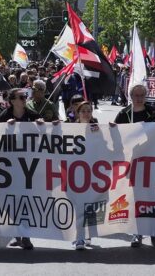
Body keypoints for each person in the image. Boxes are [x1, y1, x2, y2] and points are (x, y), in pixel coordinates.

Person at [110, 83, 155, 249]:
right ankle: (137, 232)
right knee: (136, 198)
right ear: (131, 96)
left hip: (152, 162)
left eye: (142, 95)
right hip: (133, 162)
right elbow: (116, 137)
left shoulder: (154, 112)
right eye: (136, 95)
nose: (139, 98)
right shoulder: (124, 113)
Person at [0, 88, 41, 250]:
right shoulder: (5, 115)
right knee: (12, 202)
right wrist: (5, 127)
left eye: (25, 96)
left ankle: (26, 235)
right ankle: (17, 235)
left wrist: (42, 125)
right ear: (12, 101)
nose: (25, 99)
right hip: (9, 166)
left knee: (26, 201)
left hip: (29, 166)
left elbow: (47, 133)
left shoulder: (33, 115)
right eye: (21, 97)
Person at [72, 100, 99, 250]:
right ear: (78, 113)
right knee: (79, 207)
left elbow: (105, 144)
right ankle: (79, 238)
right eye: (83, 111)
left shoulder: (96, 128)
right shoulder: (71, 128)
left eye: (89, 111)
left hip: (93, 173)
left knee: (90, 206)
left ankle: (87, 235)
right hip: (76, 173)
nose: (86, 113)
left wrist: (113, 130)